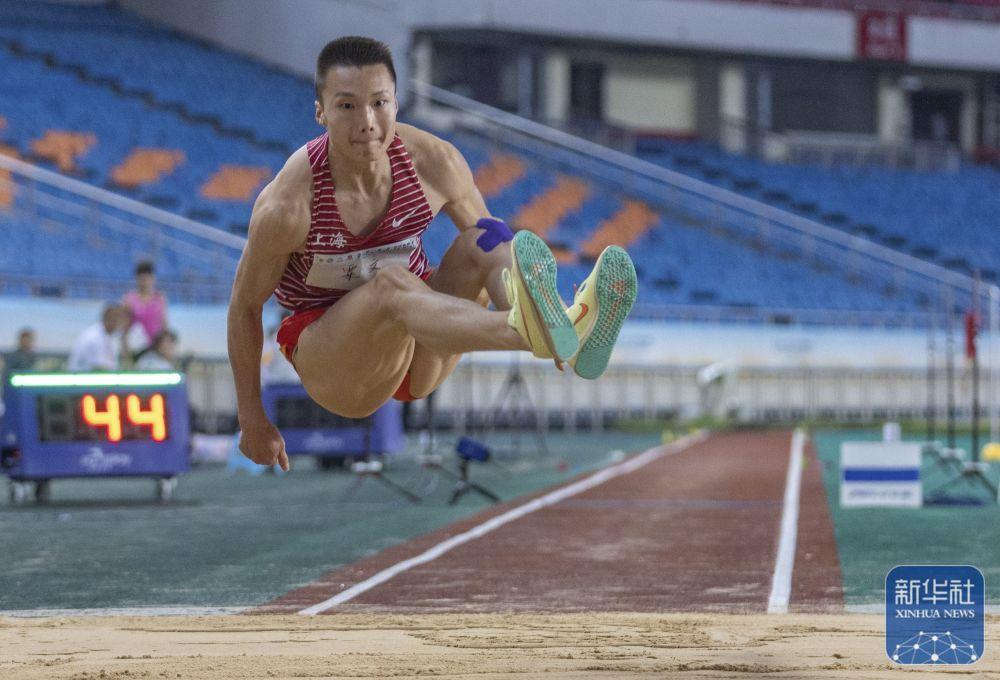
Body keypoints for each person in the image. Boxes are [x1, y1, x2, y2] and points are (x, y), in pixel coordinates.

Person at [228, 36, 637, 471]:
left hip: (418, 347)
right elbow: (244, 307)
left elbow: (496, 250)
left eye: (379, 103)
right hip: (337, 366)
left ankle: (548, 327)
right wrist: (252, 419)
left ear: (396, 104)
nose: (367, 122)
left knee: (486, 237)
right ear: (321, 112)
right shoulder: (289, 206)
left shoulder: (435, 162)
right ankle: (543, 331)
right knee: (390, 283)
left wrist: (520, 291)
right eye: (347, 106)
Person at [68, 303, 131, 371]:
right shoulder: (94, 337)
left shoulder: (108, 335)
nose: (123, 322)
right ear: (107, 317)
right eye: (119, 317)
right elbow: (99, 368)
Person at [123, 260, 167, 348]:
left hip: (155, 345)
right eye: (141, 279)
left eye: (147, 279)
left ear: (153, 279)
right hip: (137, 347)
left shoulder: (159, 298)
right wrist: (125, 346)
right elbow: (125, 326)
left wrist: (165, 344)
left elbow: (164, 323)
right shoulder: (129, 299)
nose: (144, 283)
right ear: (137, 279)